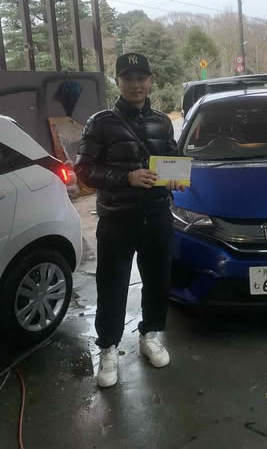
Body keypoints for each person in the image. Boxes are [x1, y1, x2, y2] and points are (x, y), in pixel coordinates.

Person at [75, 52, 184, 388]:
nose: (136, 85)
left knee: (158, 280)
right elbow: (84, 171)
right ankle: (108, 348)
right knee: (112, 285)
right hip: (117, 219)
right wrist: (126, 178)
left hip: (157, 215)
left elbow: (173, 157)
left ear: (150, 81)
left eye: (142, 78)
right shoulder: (100, 122)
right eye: (128, 78)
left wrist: (178, 176)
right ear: (118, 82)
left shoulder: (162, 122)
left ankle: (151, 335)